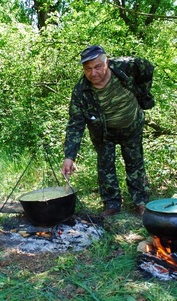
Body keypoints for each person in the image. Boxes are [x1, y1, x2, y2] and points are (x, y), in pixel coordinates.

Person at [62, 45, 153, 217]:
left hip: (131, 126)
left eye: (97, 67)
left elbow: (147, 68)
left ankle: (140, 202)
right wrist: (69, 156)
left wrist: (143, 92)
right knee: (105, 167)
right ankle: (111, 204)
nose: (93, 73)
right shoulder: (81, 91)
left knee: (135, 164)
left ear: (107, 62)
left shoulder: (125, 67)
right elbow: (75, 123)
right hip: (103, 133)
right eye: (88, 69)